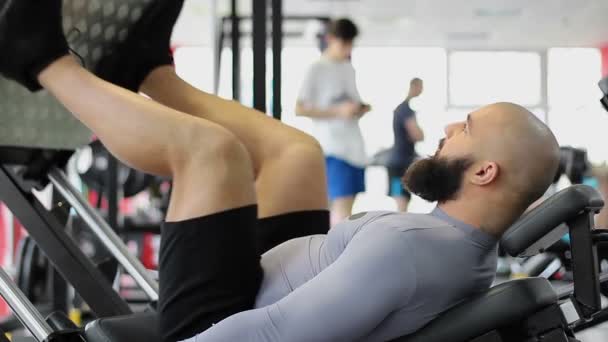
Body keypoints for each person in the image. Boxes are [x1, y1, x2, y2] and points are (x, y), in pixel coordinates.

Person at [0, 1, 561, 341]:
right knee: (298, 153)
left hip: (222, 321)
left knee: (212, 153)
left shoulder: (412, 247)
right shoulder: (460, 246)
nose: (444, 132)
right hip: (274, 282)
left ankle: (40, 58)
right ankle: (147, 72)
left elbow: (274, 333)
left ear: (486, 171)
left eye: (463, 128)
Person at [295, 18, 371, 224]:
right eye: (344, 43)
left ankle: (336, 248)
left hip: (354, 147)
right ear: (330, 39)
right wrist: (338, 111)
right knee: (340, 206)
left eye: (350, 44)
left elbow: (352, 102)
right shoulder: (317, 69)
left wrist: (358, 109)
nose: (347, 48)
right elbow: (299, 108)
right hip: (333, 147)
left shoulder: (348, 68)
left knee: (347, 205)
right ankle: (336, 253)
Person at [388, 78, 425, 211]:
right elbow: (418, 135)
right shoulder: (405, 110)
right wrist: (419, 133)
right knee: (400, 199)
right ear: (414, 87)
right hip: (398, 164)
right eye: (421, 87)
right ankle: (400, 229)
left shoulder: (403, 109)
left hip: (401, 162)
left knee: (402, 199)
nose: (422, 90)